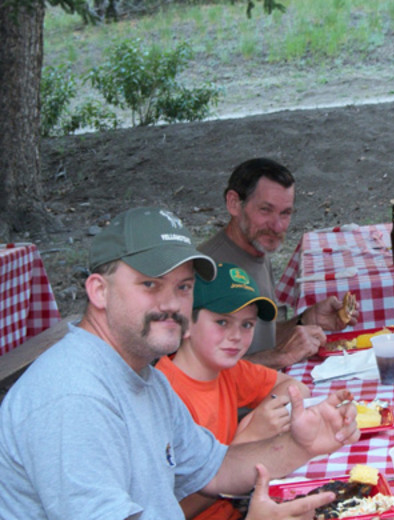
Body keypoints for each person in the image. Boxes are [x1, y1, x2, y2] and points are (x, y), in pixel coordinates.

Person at [0, 207, 359, 520]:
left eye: (183, 287)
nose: (172, 304)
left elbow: (215, 469)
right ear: (99, 291)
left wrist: (301, 445)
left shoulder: (144, 377)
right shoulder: (73, 398)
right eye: (151, 284)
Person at [156, 261, 312, 519]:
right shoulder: (165, 395)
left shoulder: (227, 369)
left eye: (247, 325)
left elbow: (297, 388)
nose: (237, 336)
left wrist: (265, 410)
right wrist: (248, 439)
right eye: (222, 322)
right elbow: (170, 509)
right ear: (185, 324)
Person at [200, 158, 358, 370]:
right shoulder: (206, 271)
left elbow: (262, 337)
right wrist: (279, 357)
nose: (277, 226)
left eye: (285, 213)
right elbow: (199, 371)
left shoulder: (257, 250)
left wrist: (307, 319)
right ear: (234, 204)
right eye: (265, 210)